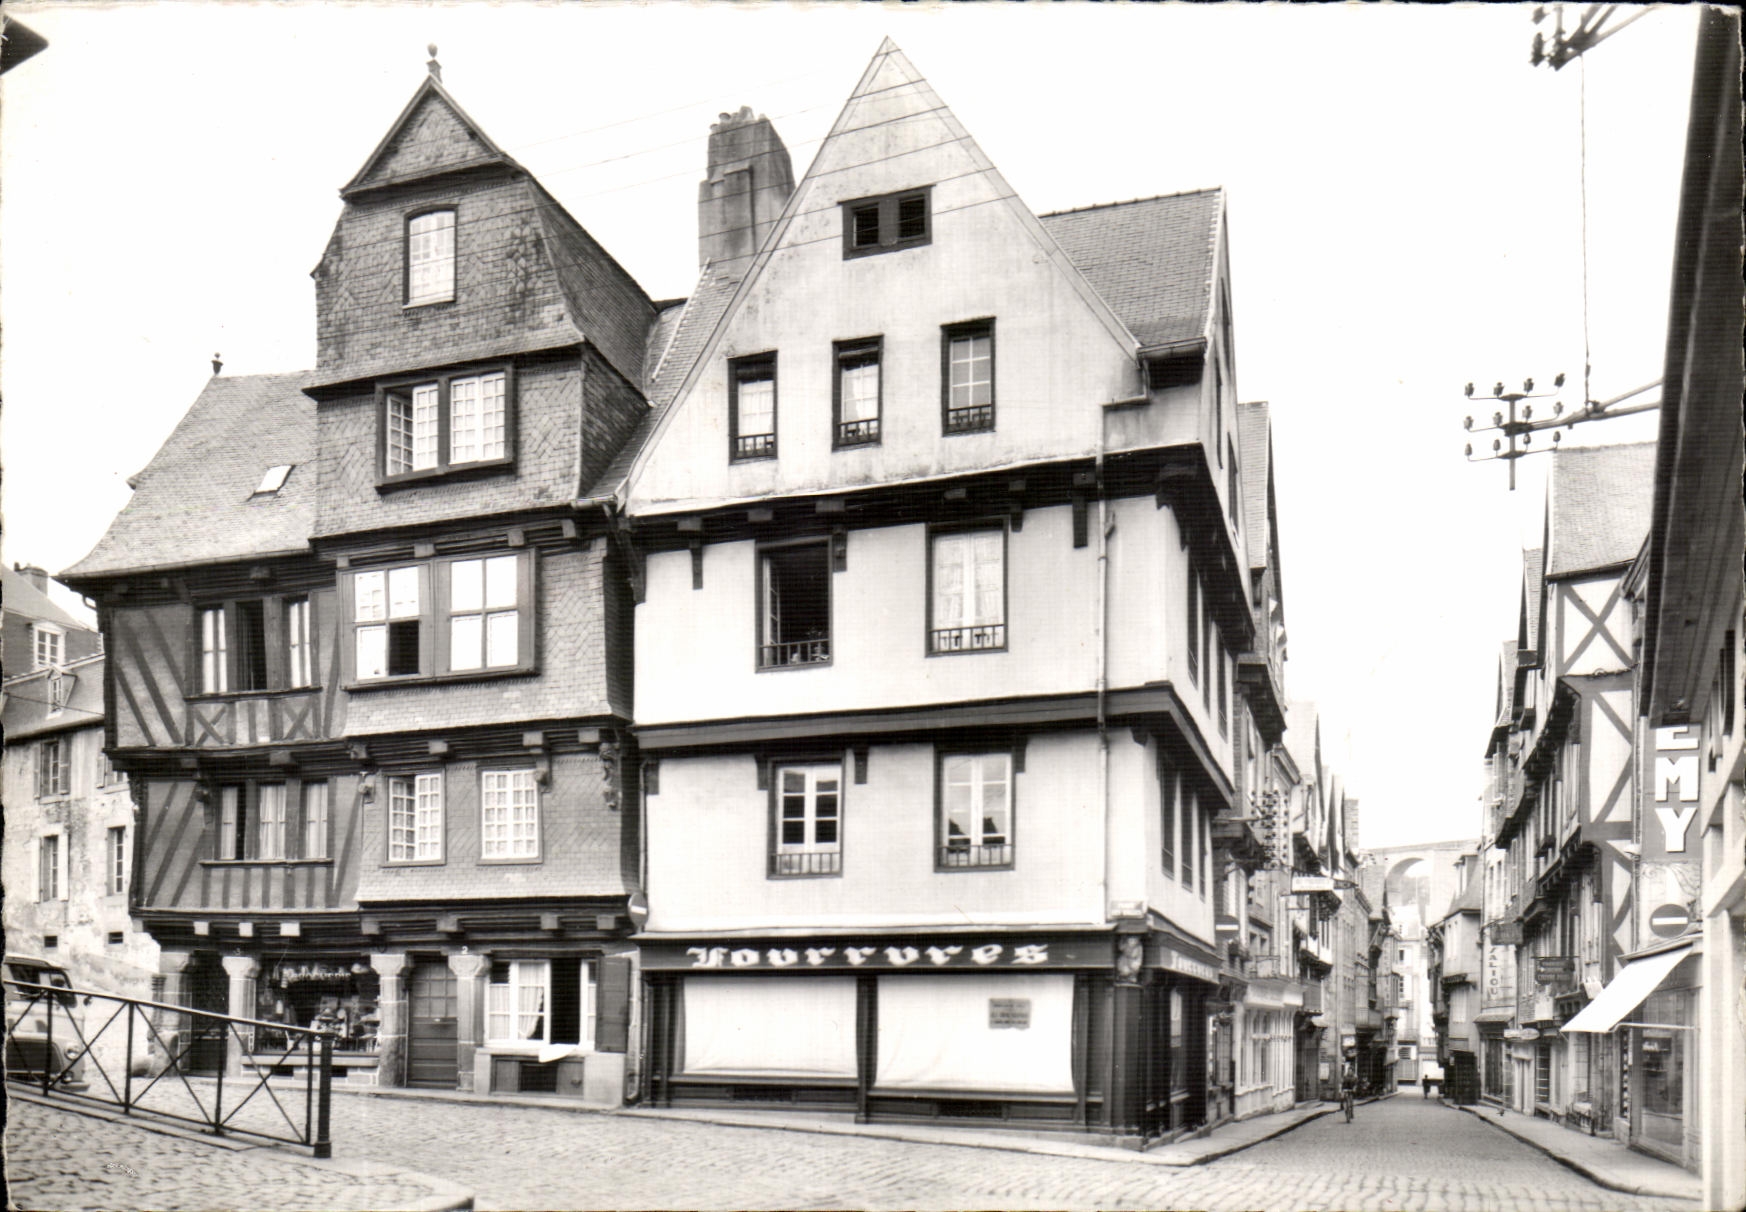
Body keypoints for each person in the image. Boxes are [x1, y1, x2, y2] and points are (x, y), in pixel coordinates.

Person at [1340, 1055, 1358, 1122]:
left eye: (1351, 1071)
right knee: (1343, 1099)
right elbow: (1342, 1083)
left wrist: (1354, 1088)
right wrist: (1341, 1090)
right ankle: (1344, 1109)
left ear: (1353, 1071)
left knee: (1351, 1102)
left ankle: (1351, 1112)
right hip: (1345, 1090)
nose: (1350, 1072)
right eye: (1349, 1070)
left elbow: (1355, 1084)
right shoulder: (1345, 1076)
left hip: (1351, 1091)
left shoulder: (1354, 1077)